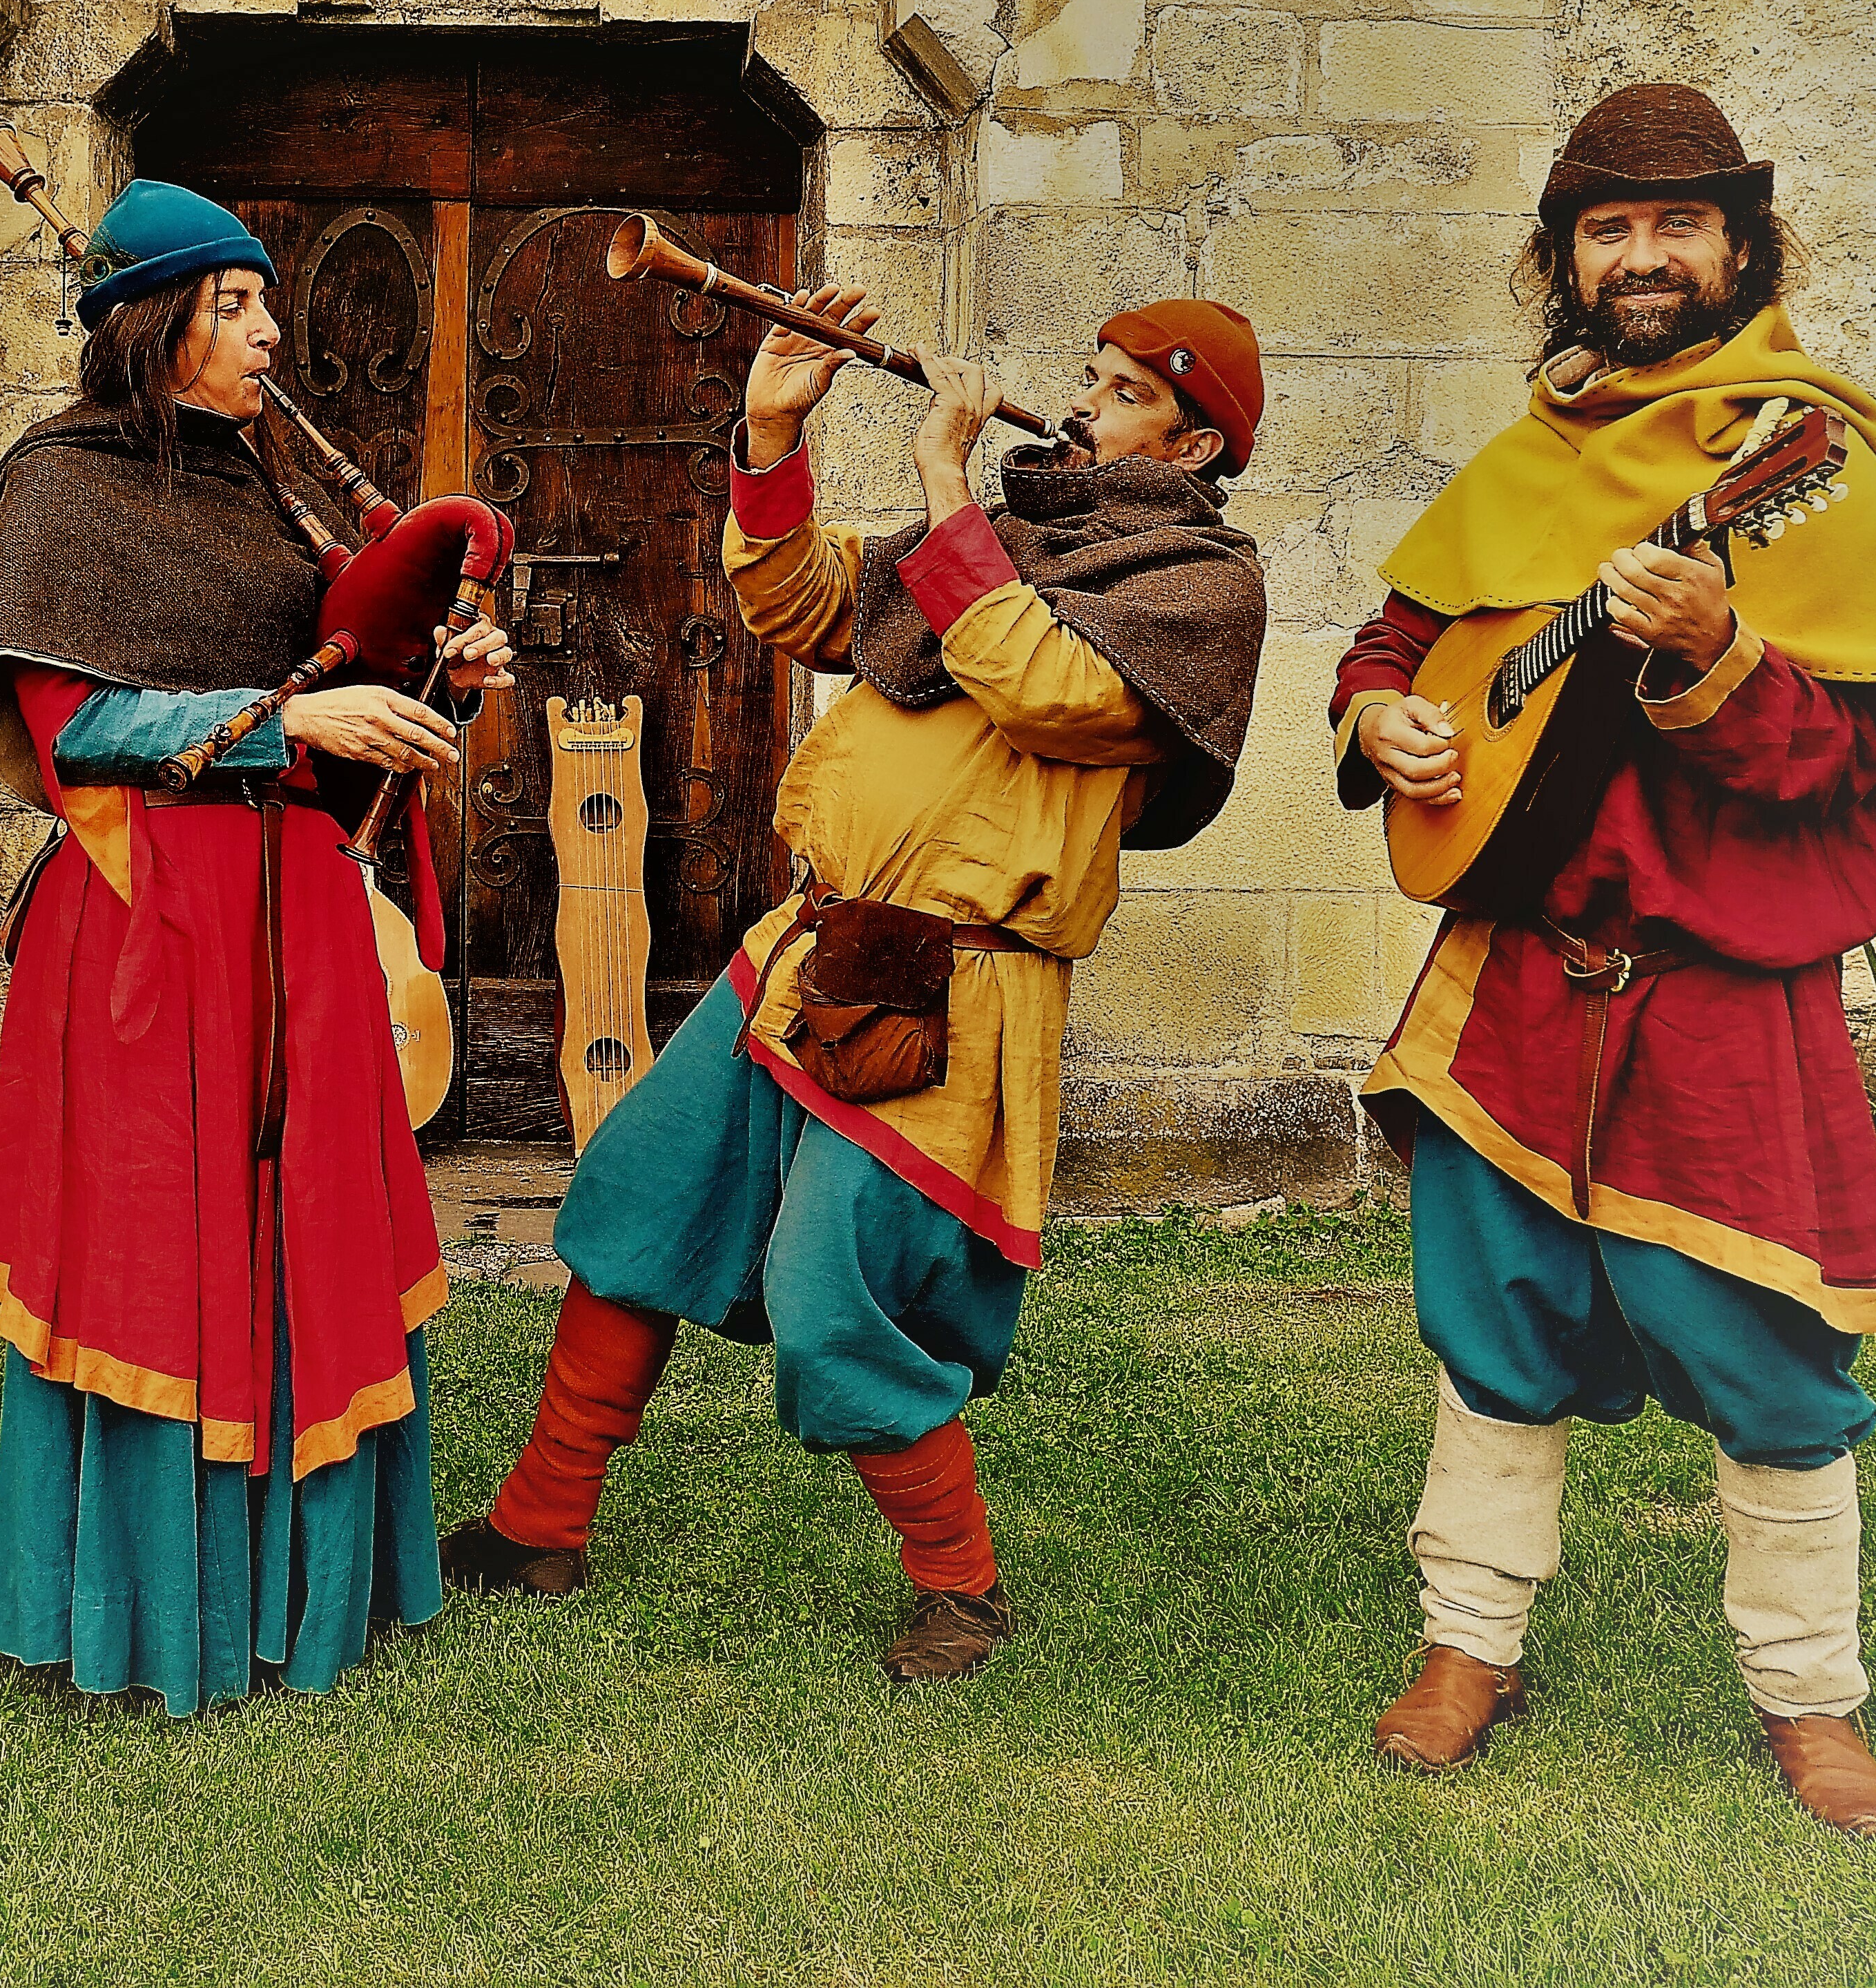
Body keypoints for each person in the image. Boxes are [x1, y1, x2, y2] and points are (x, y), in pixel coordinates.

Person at [1335, 85, 1876, 1837]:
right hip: (1510, 972)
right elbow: (1400, 633)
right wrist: (1383, 716)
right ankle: (1467, 1643)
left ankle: (1808, 1698)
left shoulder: (1809, 465)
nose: (1640, 258)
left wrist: (1717, 659)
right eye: (1605, 229)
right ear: (1562, 260)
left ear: (1740, 244)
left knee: (1758, 1341)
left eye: (1676, 224)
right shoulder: (1532, 449)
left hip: (1712, 988)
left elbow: (1846, 782)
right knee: (1491, 1319)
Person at [441, 290, 1269, 1681]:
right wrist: (769, 433)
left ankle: (958, 1587)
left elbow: (1037, 685)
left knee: (833, 1296)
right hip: (805, 949)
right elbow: (804, 597)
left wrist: (944, 478)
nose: (1082, 404)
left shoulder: (1198, 588)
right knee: (637, 1196)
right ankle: (537, 1524)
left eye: (1123, 393)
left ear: (1192, 449)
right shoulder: (1010, 538)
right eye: (1091, 374)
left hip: (953, 987)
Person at [0, 178, 512, 1716]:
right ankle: (129, 1607)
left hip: (290, 912)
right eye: (233, 304)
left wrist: (432, 675)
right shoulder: (56, 485)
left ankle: (306, 1596)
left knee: (305, 1229)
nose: (265, 331)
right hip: (147, 922)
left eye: (262, 301)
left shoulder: (266, 486)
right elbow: (74, 726)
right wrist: (283, 715)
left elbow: (329, 705)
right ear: (152, 321)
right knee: (150, 1246)